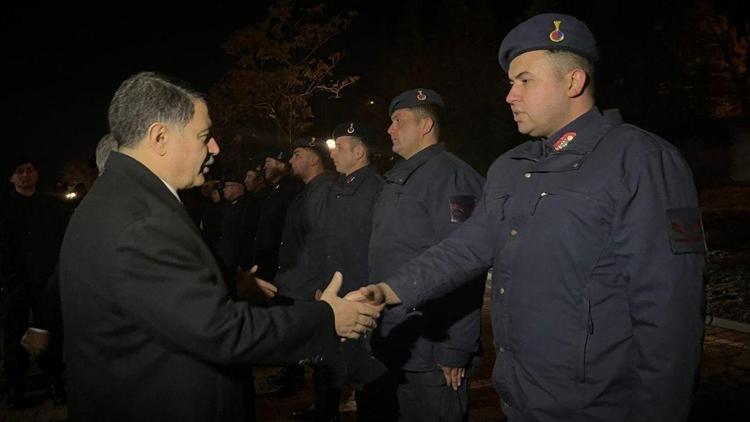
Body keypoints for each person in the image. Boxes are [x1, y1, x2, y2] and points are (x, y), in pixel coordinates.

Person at [356, 13, 706, 421]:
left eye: (525, 80)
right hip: (521, 396)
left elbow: (669, 314)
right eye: (510, 83)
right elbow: (467, 246)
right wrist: (389, 290)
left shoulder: (640, 160)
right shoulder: (511, 167)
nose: (510, 95)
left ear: (573, 82)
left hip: (599, 406)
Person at [59, 71, 381, 422]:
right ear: (160, 137)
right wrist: (328, 318)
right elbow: (222, 332)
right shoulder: (141, 220)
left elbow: (157, 295)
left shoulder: (121, 198)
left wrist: (228, 285)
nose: (214, 148)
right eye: (203, 136)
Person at [368, 89, 486, 421]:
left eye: (398, 121)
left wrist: (455, 348)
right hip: (402, 340)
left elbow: (466, 264)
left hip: (434, 351)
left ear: (426, 125)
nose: (389, 130)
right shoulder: (403, 177)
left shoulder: (451, 177)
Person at [1, 157, 68, 408]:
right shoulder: (5, 208)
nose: (26, 175)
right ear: (12, 178)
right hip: (15, 283)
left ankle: (55, 381)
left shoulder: (51, 206)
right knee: (14, 336)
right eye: (20, 171)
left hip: (45, 282)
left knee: (50, 332)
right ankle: (16, 387)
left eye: (30, 170)